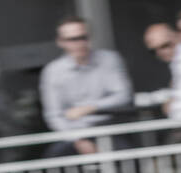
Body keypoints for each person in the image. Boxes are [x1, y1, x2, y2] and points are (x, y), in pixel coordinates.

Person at [39, 16, 133, 157]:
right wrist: (78, 139)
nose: (79, 43)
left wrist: (89, 108)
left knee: (130, 159)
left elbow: (124, 95)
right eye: (72, 39)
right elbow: (54, 116)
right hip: (72, 134)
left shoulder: (109, 59)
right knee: (53, 161)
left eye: (83, 37)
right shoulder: (53, 71)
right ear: (60, 42)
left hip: (108, 129)